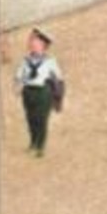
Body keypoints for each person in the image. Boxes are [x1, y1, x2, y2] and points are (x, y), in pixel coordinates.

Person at [15, 27, 64, 157]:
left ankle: (40, 146)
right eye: (31, 40)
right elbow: (20, 75)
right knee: (30, 118)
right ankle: (33, 142)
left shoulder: (50, 62)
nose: (31, 43)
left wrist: (58, 96)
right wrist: (19, 85)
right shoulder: (26, 60)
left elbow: (58, 79)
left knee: (41, 119)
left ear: (43, 44)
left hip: (43, 92)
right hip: (28, 92)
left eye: (34, 41)